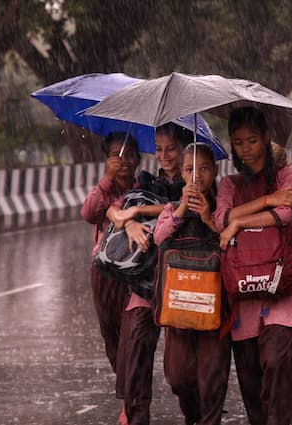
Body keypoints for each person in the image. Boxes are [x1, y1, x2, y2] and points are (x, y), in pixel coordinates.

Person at [213, 106, 292, 425]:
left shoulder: (287, 176)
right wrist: (265, 203)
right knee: (250, 377)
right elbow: (220, 219)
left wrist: (238, 223)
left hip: (283, 291)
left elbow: (285, 216)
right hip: (243, 297)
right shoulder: (228, 185)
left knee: (276, 362)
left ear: (267, 138)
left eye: (253, 140)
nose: (246, 149)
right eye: (239, 142)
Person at [107, 122, 191, 424]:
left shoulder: (195, 181)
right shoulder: (144, 182)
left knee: (181, 374)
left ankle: (196, 413)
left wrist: (140, 211)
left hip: (183, 285)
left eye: (170, 149)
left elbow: (183, 207)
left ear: (183, 149)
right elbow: (113, 210)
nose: (164, 155)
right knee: (135, 362)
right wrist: (128, 221)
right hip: (145, 284)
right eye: (158, 149)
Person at [153, 142, 231, 425]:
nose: (197, 175)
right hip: (179, 310)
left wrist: (210, 219)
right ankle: (193, 415)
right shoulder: (172, 208)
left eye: (204, 168)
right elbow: (159, 239)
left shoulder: (224, 209)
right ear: (182, 174)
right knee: (178, 377)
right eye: (190, 169)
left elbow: (232, 243)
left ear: (216, 171)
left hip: (215, 309)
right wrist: (183, 208)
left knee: (212, 377)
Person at [80, 131, 141, 424]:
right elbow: (89, 213)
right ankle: (129, 390)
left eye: (129, 154)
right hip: (103, 275)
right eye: (116, 154)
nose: (123, 160)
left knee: (132, 338)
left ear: (138, 158)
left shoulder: (143, 189)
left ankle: (131, 404)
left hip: (133, 275)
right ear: (106, 159)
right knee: (112, 338)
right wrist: (107, 179)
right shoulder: (102, 191)